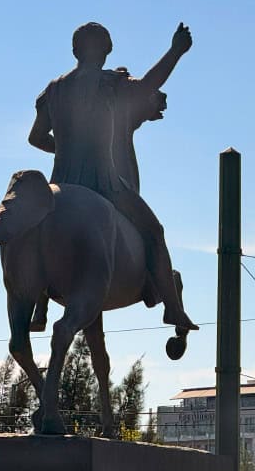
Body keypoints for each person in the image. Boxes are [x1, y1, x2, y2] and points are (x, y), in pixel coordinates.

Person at [28, 22, 197, 331]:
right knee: (154, 232)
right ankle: (173, 308)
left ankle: (39, 309)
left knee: (38, 226)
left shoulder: (53, 89)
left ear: (75, 50)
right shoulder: (110, 83)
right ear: (106, 51)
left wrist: (64, 150)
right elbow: (147, 85)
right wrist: (176, 51)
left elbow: (35, 137)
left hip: (61, 184)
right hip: (105, 183)